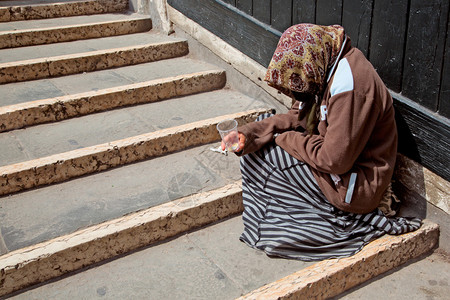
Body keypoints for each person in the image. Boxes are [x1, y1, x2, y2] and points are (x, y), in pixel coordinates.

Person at [221, 23, 421, 261]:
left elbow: (334, 160)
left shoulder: (350, 87)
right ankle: (281, 212)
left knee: (270, 152)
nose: (295, 96)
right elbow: (297, 116)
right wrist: (249, 133)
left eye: (296, 88)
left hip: (356, 185)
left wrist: (282, 139)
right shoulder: (323, 62)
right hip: (337, 161)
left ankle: (305, 220)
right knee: (260, 131)